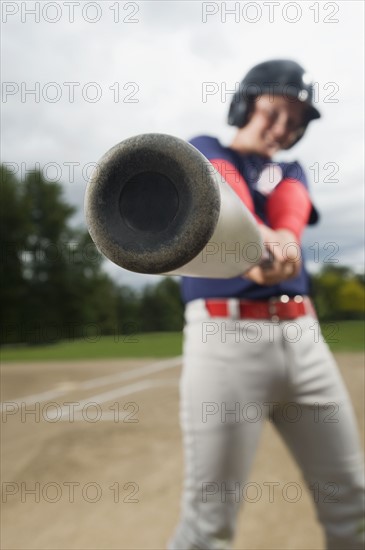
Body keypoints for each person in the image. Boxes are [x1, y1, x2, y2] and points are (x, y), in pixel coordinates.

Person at [168, 60, 364, 550]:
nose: (284, 128)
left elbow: (291, 208)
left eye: (295, 122)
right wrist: (256, 245)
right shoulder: (206, 149)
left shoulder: (289, 169)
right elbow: (225, 188)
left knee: (354, 507)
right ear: (245, 102)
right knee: (208, 522)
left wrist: (283, 243)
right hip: (226, 339)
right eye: (276, 111)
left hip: (304, 339)